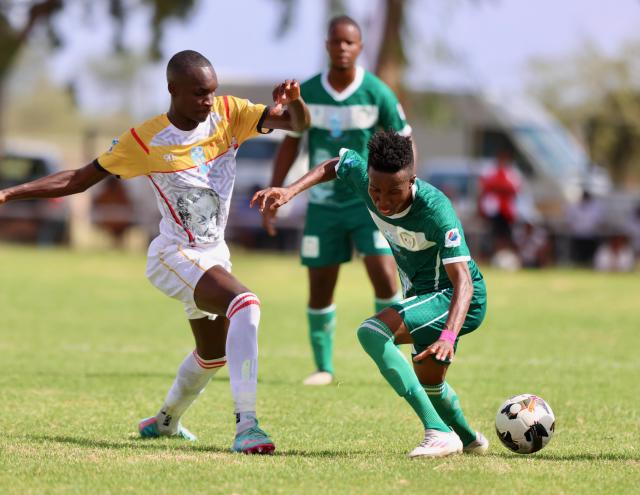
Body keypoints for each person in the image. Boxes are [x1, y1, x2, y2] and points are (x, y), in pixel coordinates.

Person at [0, 50, 310, 455]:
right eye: (199, 93)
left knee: (213, 353)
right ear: (172, 90)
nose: (208, 101)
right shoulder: (145, 140)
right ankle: (247, 426)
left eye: (212, 92)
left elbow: (297, 125)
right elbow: (77, 179)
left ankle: (165, 422)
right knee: (246, 305)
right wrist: (9, 192)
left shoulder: (229, 113)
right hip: (174, 255)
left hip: (215, 254)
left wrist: (297, 101)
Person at [251, 130, 488, 458]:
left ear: (412, 180)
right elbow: (337, 164)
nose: (383, 200)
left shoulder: (436, 210)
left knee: (372, 332)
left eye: (394, 191)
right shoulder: (366, 179)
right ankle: (469, 439)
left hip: (455, 297)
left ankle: (437, 432)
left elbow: (463, 280)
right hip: (422, 296)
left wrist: (448, 335)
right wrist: (290, 191)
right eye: (376, 190)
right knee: (430, 380)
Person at [262, 15, 412, 386]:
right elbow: (292, 141)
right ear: (327, 45)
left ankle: (387, 353)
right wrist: (276, 190)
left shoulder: (376, 92)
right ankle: (323, 368)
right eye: (336, 42)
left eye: (350, 42)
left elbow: (404, 144)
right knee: (321, 283)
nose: (343, 48)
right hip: (323, 205)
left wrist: (406, 194)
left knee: (383, 274)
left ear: (360, 47)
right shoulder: (308, 92)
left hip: (370, 205)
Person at [478, 150, 521, 257]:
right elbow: (486, 187)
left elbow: (514, 189)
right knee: (493, 235)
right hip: (493, 210)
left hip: (507, 211)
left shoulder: (511, 173)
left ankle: (505, 254)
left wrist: (498, 188)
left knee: (506, 235)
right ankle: (496, 255)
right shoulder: (490, 172)